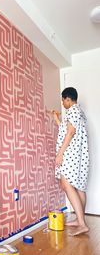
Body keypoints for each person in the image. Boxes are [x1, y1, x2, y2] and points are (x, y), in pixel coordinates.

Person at [52, 87, 89, 236]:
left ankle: (81, 223)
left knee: (66, 184)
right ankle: (80, 219)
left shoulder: (72, 110)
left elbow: (70, 132)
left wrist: (60, 153)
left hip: (70, 154)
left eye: (63, 100)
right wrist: (56, 118)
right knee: (79, 187)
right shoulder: (78, 112)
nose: (62, 103)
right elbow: (66, 129)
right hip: (78, 155)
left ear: (68, 99)